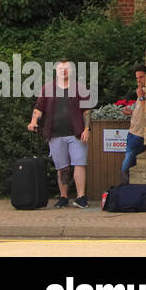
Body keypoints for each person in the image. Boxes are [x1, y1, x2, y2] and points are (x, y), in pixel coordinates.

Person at [28, 60, 92, 208]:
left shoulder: (79, 88)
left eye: (67, 68)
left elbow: (87, 110)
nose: (64, 70)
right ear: (56, 71)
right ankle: (63, 197)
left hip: (76, 133)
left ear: (72, 70)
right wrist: (33, 121)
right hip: (55, 134)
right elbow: (38, 108)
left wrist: (86, 129)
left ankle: (81, 197)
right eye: (61, 68)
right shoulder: (47, 88)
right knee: (62, 167)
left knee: (79, 163)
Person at [120, 65, 146, 184]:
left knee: (126, 168)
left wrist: (141, 97)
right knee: (128, 167)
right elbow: (141, 111)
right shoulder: (141, 90)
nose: (138, 80)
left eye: (141, 77)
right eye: (137, 78)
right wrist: (131, 112)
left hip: (140, 136)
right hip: (132, 133)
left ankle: (129, 190)